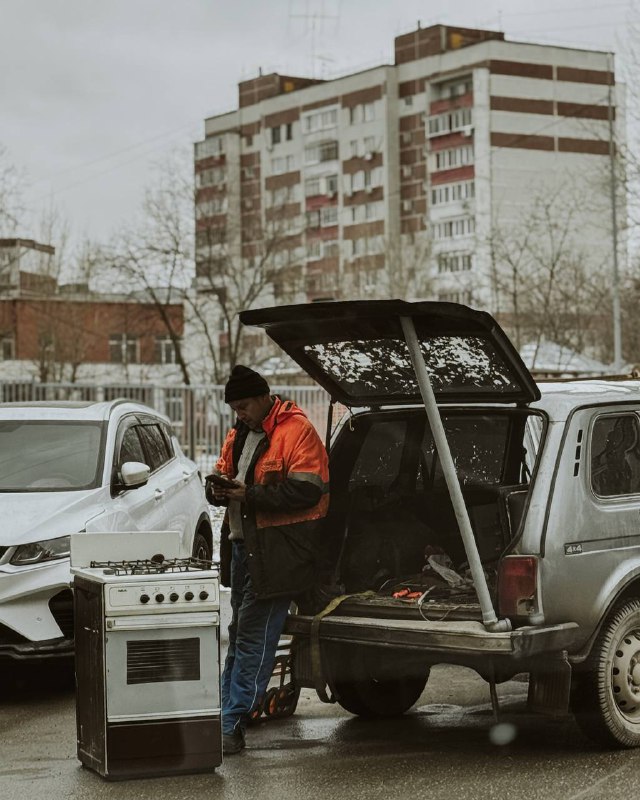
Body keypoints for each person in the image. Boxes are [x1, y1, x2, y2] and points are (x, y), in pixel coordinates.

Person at [207, 365, 329, 755]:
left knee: (254, 637)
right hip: (244, 548)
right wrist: (217, 490)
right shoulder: (240, 434)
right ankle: (227, 715)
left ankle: (232, 722)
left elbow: (308, 492)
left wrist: (251, 495)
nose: (239, 414)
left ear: (264, 398)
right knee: (240, 633)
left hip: (281, 553)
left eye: (244, 406)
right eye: (234, 409)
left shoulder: (297, 431)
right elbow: (227, 478)